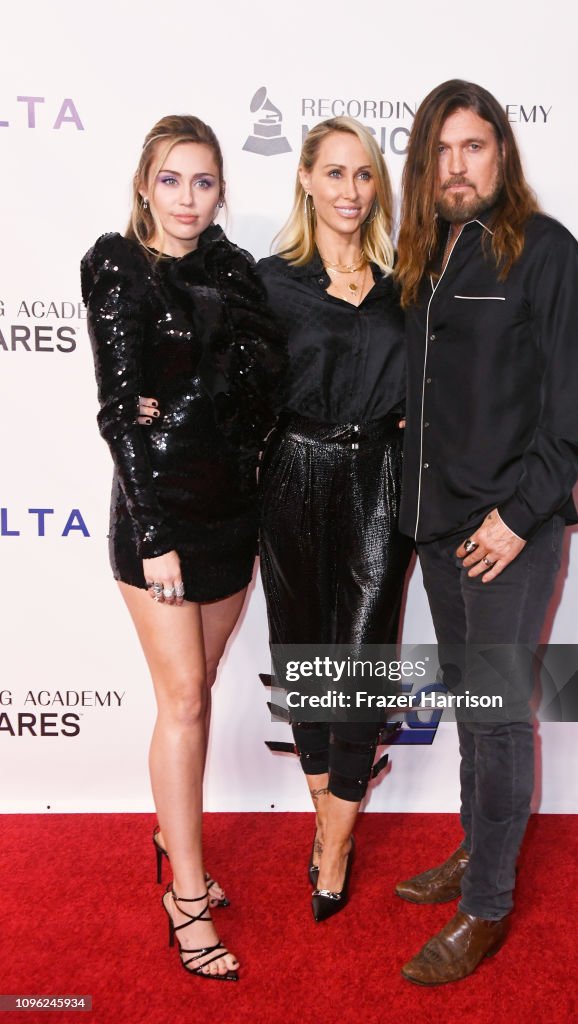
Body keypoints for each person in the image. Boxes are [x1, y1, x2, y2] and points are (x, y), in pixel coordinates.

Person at [393, 80, 578, 984]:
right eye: (440, 151)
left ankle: (487, 908)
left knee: (498, 720)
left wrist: (516, 520)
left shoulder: (546, 252)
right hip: (438, 528)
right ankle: (477, 851)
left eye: (472, 147)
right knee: (472, 717)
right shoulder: (423, 254)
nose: (456, 167)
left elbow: (569, 416)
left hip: (507, 530)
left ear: (501, 153)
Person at [81, 115, 284, 981]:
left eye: (202, 182)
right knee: (186, 704)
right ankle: (187, 895)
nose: (187, 199)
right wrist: (155, 537)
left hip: (231, 515)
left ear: (220, 190)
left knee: (196, 687)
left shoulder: (238, 273)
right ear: (144, 185)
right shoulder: (118, 267)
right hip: (157, 522)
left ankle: (173, 828)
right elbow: (118, 413)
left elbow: (254, 394)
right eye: (171, 180)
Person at [256, 116, 413, 921]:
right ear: (307, 180)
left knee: (358, 661)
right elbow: (233, 391)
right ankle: (331, 823)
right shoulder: (269, 281)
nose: (350, 191)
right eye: (335, 174)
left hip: (376, 481)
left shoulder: (403, 285)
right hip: (290, 474)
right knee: (304, 657)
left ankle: (336, 838)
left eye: (363, 176)